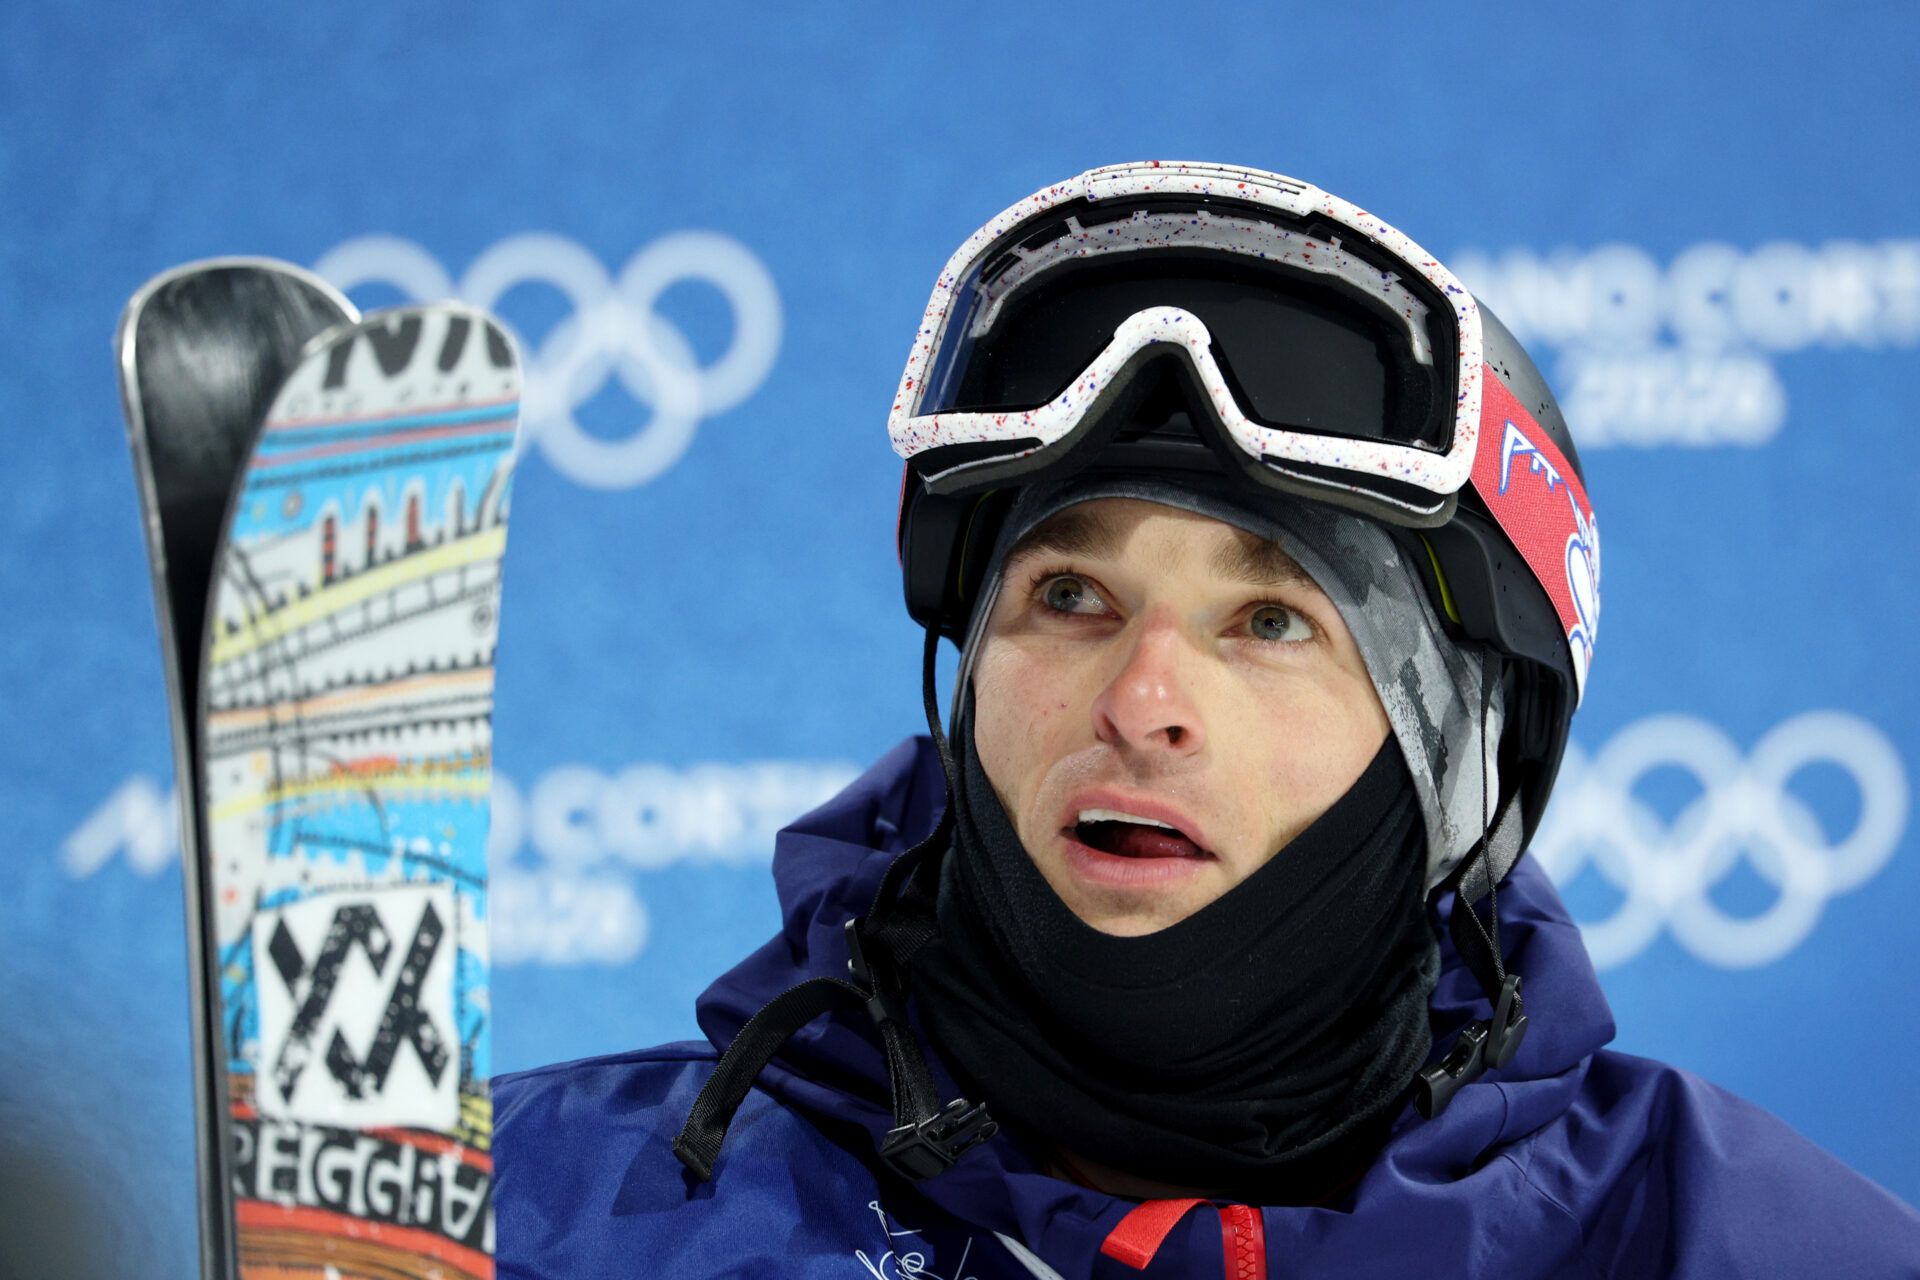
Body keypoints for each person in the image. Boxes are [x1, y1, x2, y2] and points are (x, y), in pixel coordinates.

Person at [494, 163, 1920, 1278]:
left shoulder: (1729, 1246)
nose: (1143, 702)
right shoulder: (529, 1218)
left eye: (1275, 621)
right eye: (1067, 597)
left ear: (1462, 751)